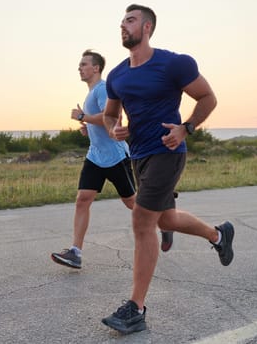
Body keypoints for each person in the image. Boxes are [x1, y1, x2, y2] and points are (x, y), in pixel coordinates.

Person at [101, 4, 235, 334]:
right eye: (121, 21)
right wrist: (115, 129)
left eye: (130, 21)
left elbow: (207, 98)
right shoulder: (117, 75)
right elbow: (109, 115)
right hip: (139, 155)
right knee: (164, 219)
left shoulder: (174, 63)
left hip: (168, 151)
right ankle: (219, 235)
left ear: (147, 27)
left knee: (141, 219)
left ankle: (136, 308)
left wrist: (185, 128)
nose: (123, 26)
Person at [51, 49, 174, 270]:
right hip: (95, 156)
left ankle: (165, 219)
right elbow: (103, 123)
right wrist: (88, 128)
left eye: (84, 64)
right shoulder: (91, 93)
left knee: (133, 203)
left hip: (116, 156)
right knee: (82, 199)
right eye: (80, 65)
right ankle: (75, 252)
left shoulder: (102, 89)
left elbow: (113, 117)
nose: (79, 68)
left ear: (96, 68)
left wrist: (83, 117)